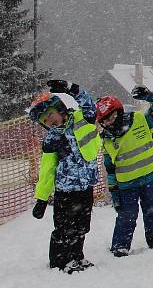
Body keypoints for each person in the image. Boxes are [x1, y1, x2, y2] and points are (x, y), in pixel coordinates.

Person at [28, 80, 101, 274]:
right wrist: (41, 199)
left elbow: (88, 103)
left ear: (60, 109)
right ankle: (59, 261)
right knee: (63, 228)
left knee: (82, 226)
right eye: (44, 120)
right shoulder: (51, 139)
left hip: (86, 187)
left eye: (50, 114)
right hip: (65, 191)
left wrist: (72, 88)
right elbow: (47, 170)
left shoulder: (82, 118)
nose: (48, 121)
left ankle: (77, 256)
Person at [96, 86, 153, 256]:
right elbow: (110, 169)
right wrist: (114, 193)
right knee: (127, 216)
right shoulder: (107, 139)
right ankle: (120, 246)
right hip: (126, 185)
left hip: (149, 177)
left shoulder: (139, 120)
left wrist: (150, 96)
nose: (110, 122)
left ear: (119, 111)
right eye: (105, 120)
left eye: (113, 116)